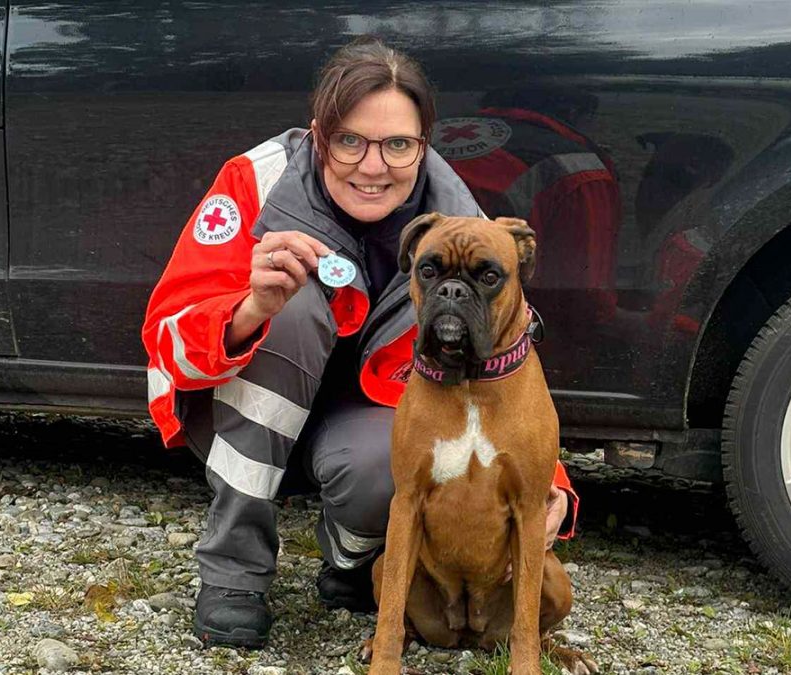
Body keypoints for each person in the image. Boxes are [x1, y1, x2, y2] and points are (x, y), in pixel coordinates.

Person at [141, 37, 580, 649]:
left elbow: (507, 348)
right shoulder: (256, 180)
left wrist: (548, 476)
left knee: (383, 468)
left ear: (425, 145)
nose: (373, 167)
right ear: (319, 135)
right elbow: (166, 340)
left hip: (364, 429)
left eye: (397, 145)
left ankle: (352, 562)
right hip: (255, 411)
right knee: (290, 309)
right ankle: (234, 572)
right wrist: (249, 309)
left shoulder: (461, 225)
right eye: (350, 141)